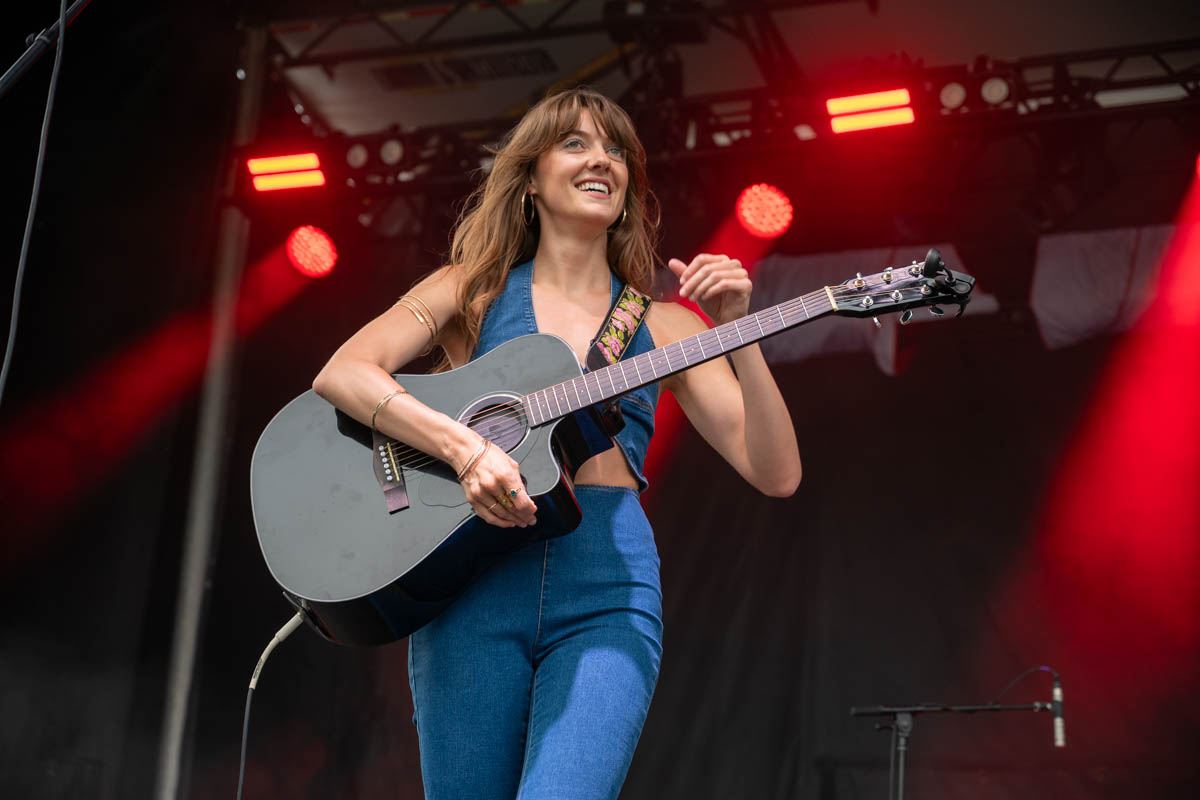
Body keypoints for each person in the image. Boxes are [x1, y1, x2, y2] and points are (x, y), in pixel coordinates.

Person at [311, 87, 801, 800]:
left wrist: (740, 331)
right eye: (575, 143)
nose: (601, 158)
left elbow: (776, 472)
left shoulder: (666, 325)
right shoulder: (470, 291)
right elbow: (343, 373)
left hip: (606, 583)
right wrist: (464, 450)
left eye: (616, 150)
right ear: (531, 180)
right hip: (473, 580)